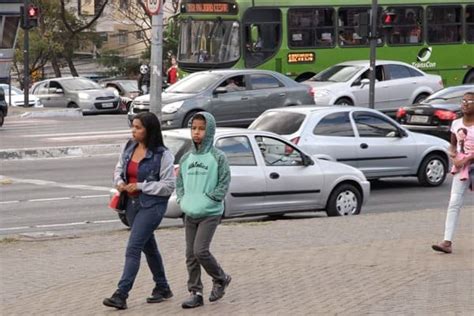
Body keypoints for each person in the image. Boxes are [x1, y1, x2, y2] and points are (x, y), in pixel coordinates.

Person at [103, 112, 176, 310]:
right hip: (131, 205)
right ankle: (162, 287)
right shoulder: (129, 147)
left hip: (152, 206)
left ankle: (121, 294)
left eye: (138, 128)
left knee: (133, 248)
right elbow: (119, 169)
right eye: (133, 127)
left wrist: (142, 186)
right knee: (148, 246)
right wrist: (119, 182)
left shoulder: (163, 154)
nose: (133, 131)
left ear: (149, 130)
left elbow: (168, 185)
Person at [176, 112, 232, 309]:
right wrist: (183, 200)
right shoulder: (186, 158)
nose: (197, 132)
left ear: (209, 131)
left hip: (210, 212)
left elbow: (224, 182)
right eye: (194, 128)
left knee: (200, 250)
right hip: (190, 213)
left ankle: (221, 278)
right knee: (190, 255)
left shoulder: (218, 157)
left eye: (201, 128)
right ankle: (195, 292)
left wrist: (211, 198)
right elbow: (180, 183)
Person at [432, 92, 474, 254]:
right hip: (461, 169)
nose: (465, 104)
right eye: (463, 101)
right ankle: (447, 242)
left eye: (469, 101)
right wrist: (454, 157)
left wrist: (467, 159)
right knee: (454, 202)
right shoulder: (456, 123)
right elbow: (453, 145)